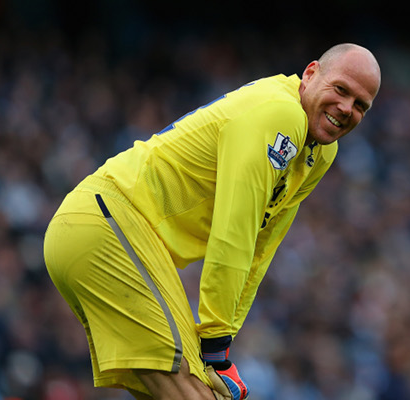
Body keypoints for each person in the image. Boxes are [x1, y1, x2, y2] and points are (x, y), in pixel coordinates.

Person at [43, 42, 381, 399]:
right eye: (341, 90)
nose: (346, 109)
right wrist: (215, 345)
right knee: (197, 391)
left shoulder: (321, 152)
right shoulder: (282, 113)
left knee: (191, 391)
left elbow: (260, 247)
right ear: (311, 73)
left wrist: (224, 340)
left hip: (106, 230)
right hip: (109, 223)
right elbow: (235, 229)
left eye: (361, 105)